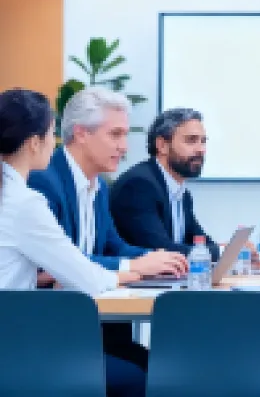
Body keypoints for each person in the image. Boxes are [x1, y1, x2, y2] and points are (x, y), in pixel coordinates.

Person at [28, 86, 187, 372]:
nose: (124, 147)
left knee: (168, 368)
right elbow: (58, 263)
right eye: (115, 135)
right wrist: (134, 265)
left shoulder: (98, 185)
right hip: (53, 334)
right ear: (81, 134)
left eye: (125, 135)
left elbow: (114, 245)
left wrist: (157, 259)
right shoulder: (44, 181)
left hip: (89, 326)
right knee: (151, 376)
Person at [0, 88, 145, 397]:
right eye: (52, 134)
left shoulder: (13, 195)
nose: (55, 143)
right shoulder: (25, 202)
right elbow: (86, 278)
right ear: (33, 142)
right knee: (136, 377)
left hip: (16, 339)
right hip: (16, 350)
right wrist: (130, 271)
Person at [110, 108, 220, 261]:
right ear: (162, 145)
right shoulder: (139, 185)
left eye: (203, 141)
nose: (201, 149)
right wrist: (220, 251)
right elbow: (161, 250)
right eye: (191, 140)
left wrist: (227, 250)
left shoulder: (182, 194)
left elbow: (200, 242)